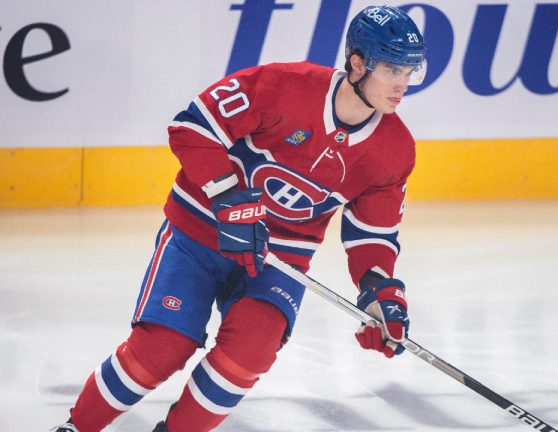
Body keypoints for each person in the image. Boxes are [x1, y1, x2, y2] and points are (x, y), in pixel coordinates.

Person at [53, 4, 427, 432]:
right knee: (162, 348)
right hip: (199, 235)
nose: (403, 85)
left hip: (279, 259)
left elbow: (371, 236)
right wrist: (227, 195)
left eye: (410, 72)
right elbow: (192, 127)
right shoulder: (285, 85)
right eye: (392, 71)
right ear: (357, 63)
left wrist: (379, 292)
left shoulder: (394, 150)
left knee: (248, 353)